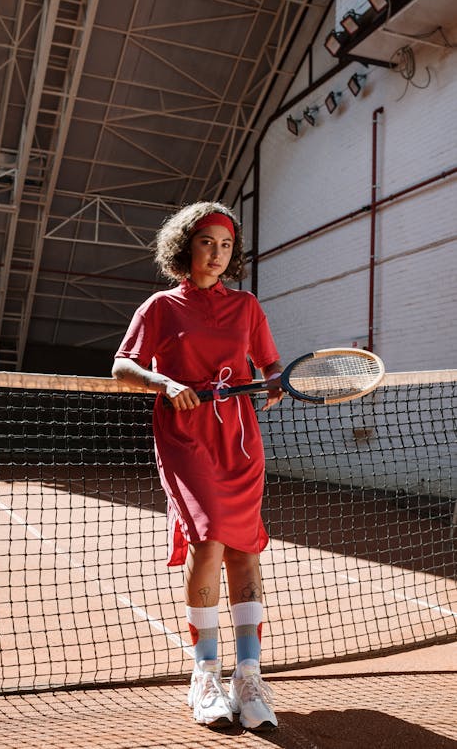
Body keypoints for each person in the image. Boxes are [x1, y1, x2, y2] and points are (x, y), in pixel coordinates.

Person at [112, 201, 283, 731]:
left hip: (240, 439)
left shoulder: (248, 307)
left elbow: (271, 364)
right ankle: (205, 673)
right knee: (208, 540)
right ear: (186, 246)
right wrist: (165, 382)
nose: (216, 253)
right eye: (207, 242)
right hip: (186, 436)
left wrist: (274, 383)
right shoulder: (162, 306)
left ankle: (248, 675)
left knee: (244, 549)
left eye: (226, 244)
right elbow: (123, 365)